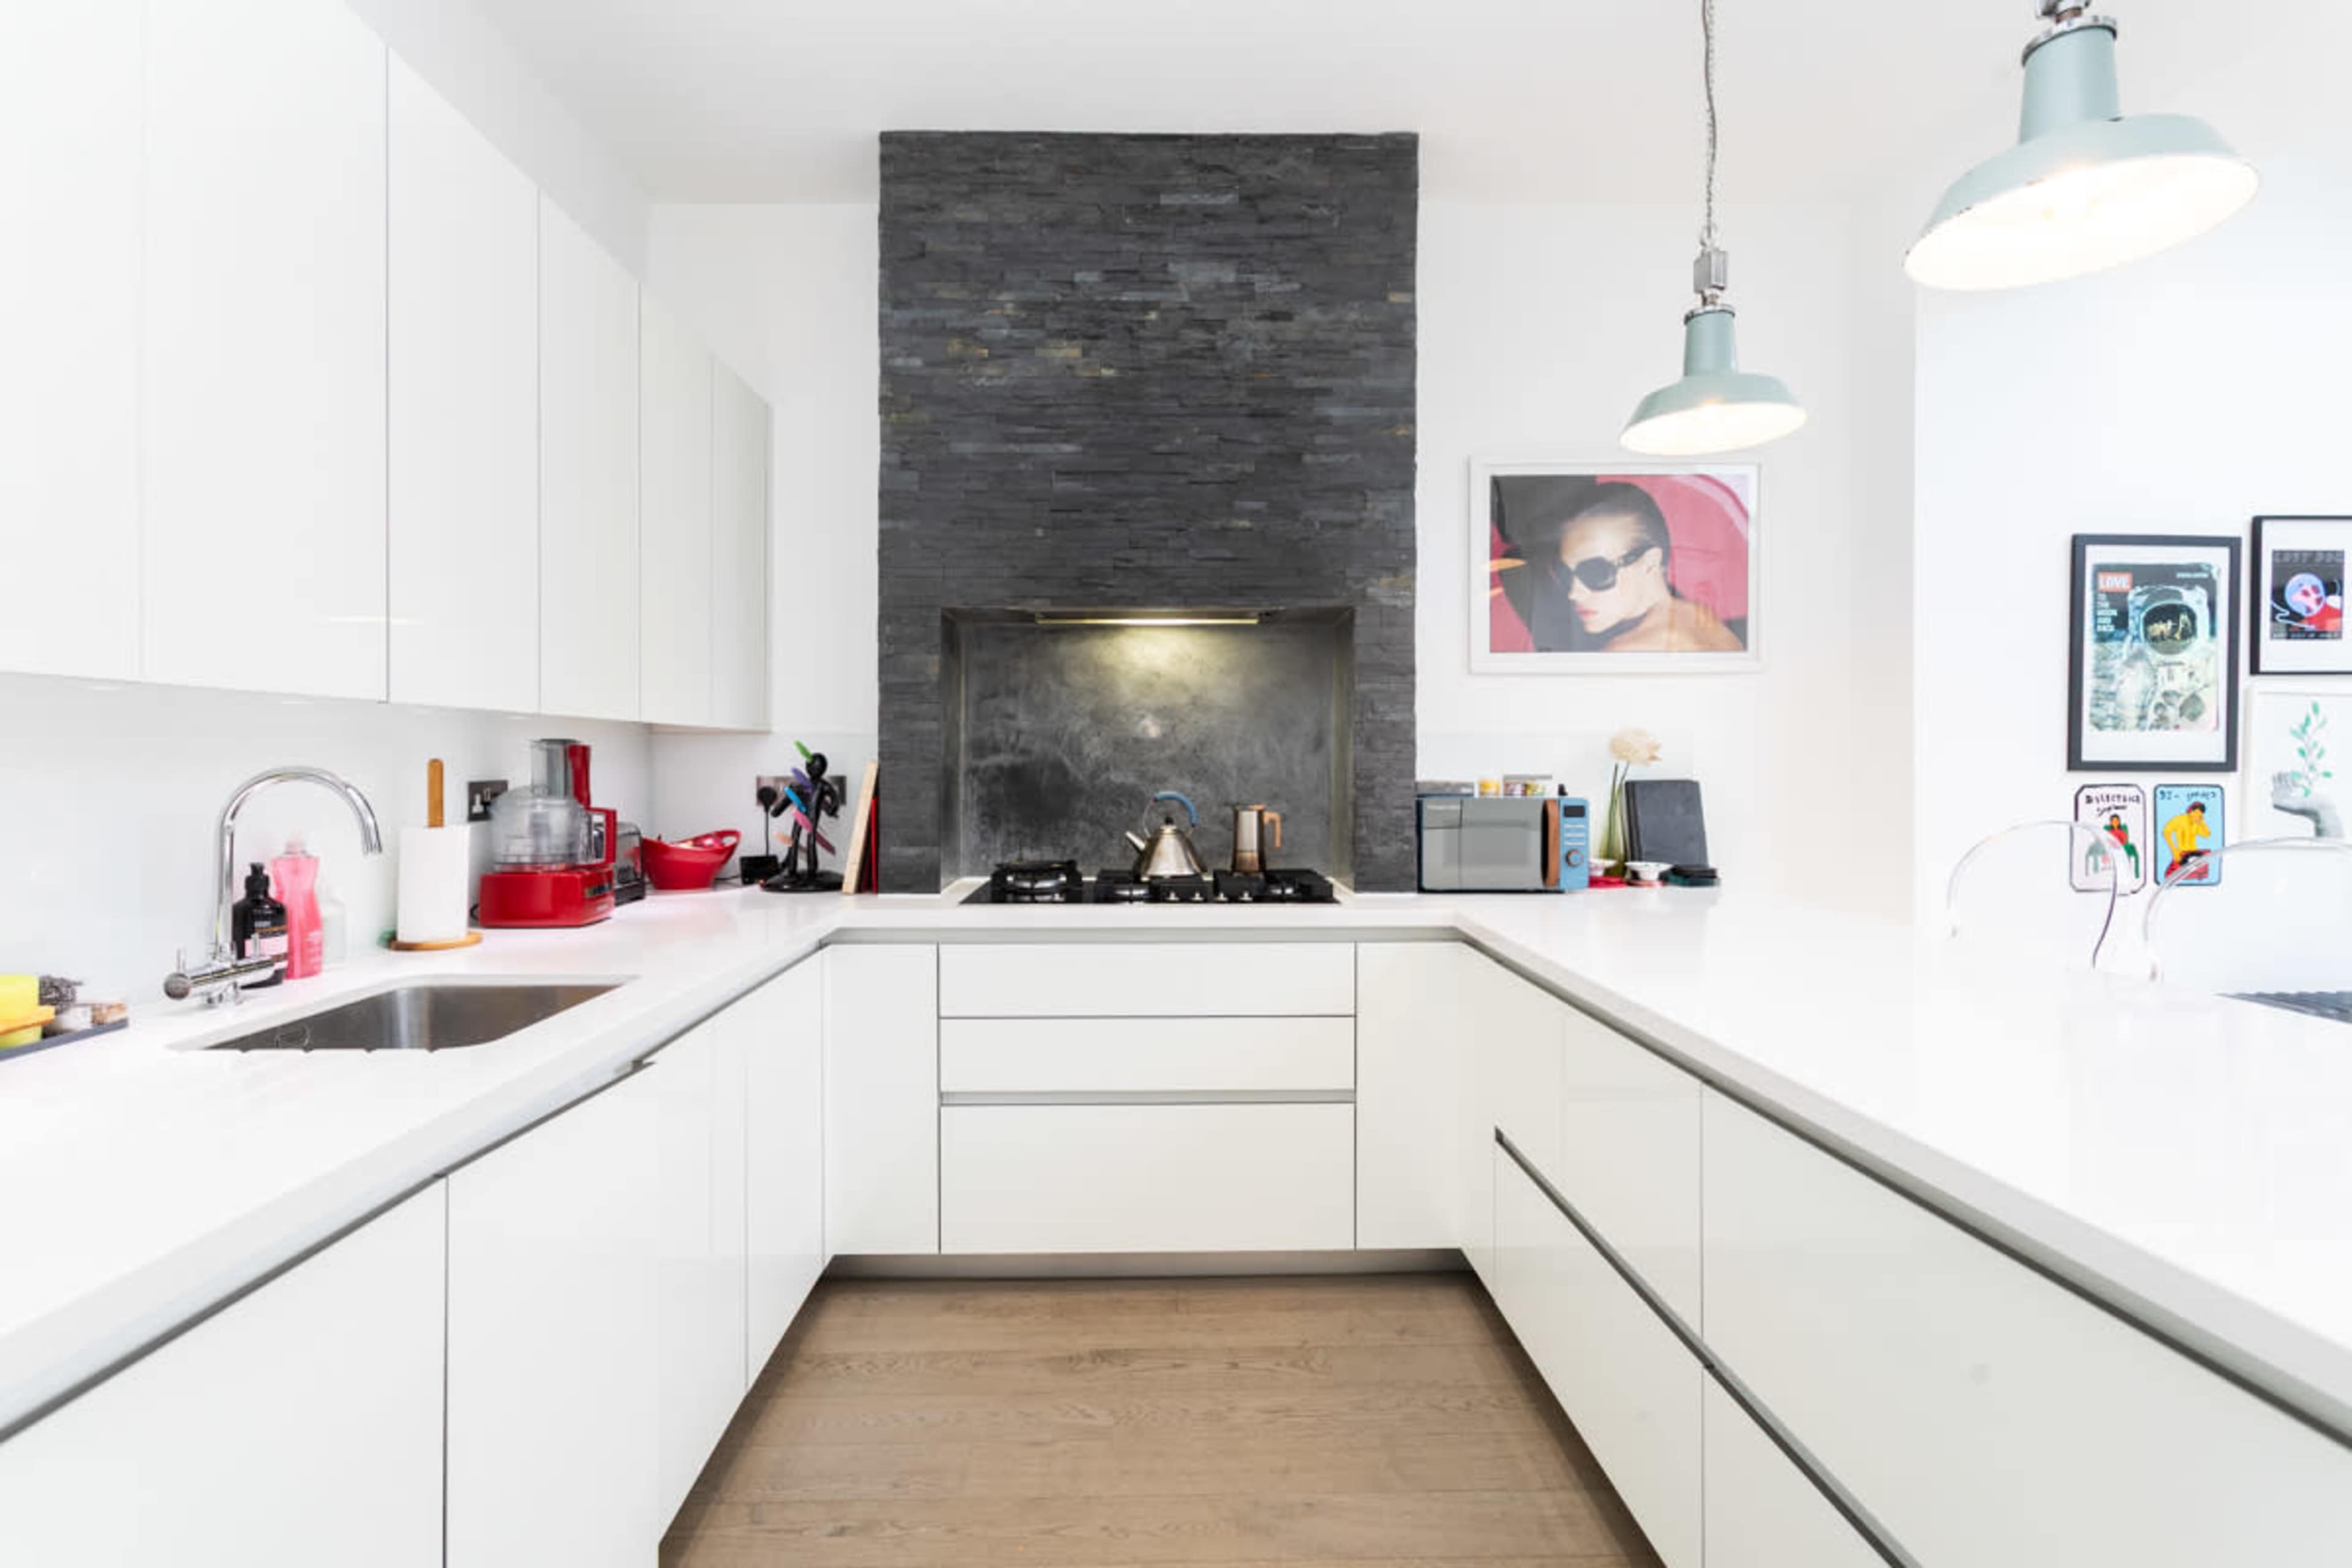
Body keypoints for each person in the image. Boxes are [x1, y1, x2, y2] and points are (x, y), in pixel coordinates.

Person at [1494, 478, 1743, 653]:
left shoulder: (1626, 651)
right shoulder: (1701, 619)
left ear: (1650, 563)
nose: (1573, 593)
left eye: (1595, 572)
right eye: (1566, 574)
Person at [2161, 799, 2213, 881]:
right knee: (2171, 874)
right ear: (2190, 811)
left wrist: (2202, 823)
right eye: (2196, 813)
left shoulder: (2197, 824)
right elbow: (2166, 832)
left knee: (2200, 870)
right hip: (2181, 853)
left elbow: (2207, 834)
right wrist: (2174, 850)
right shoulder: (2179, 820)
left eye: (2200, 814)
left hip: (2193, 854)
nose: (2197, 816)